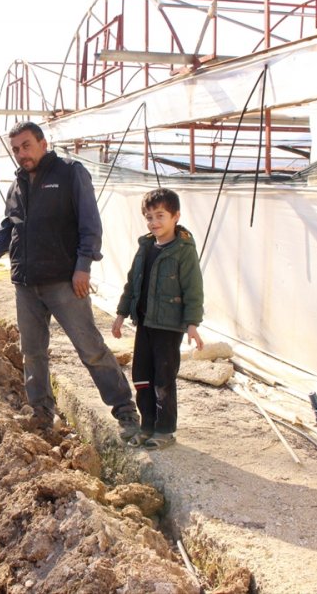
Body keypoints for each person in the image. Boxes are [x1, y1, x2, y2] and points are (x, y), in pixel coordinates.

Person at [0, 121, 139, 436]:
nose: (21, 153)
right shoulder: (18, 185)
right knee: (32, 352)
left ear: (43, 143)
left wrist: (83, 265)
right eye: (16, 149)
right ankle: (41, 413)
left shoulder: (70, 173)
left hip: (64, 282)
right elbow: (8, 230)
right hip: (26, 283)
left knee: (90, 348)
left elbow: (90, 224)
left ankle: (126, 412)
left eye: (26, 145)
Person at [111, 188, 204, 449]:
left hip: (168, 326)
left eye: (160, 216)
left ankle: (165, 430)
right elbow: (132, 283)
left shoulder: (183, 251)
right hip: (145, 324)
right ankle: (147, 425)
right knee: (141, 375)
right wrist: (121, 314)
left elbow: (193, 289)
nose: (154, 222)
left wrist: (192, 325)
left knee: (163, 379)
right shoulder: (145, 247)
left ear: (176, 216)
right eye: (149, 217)